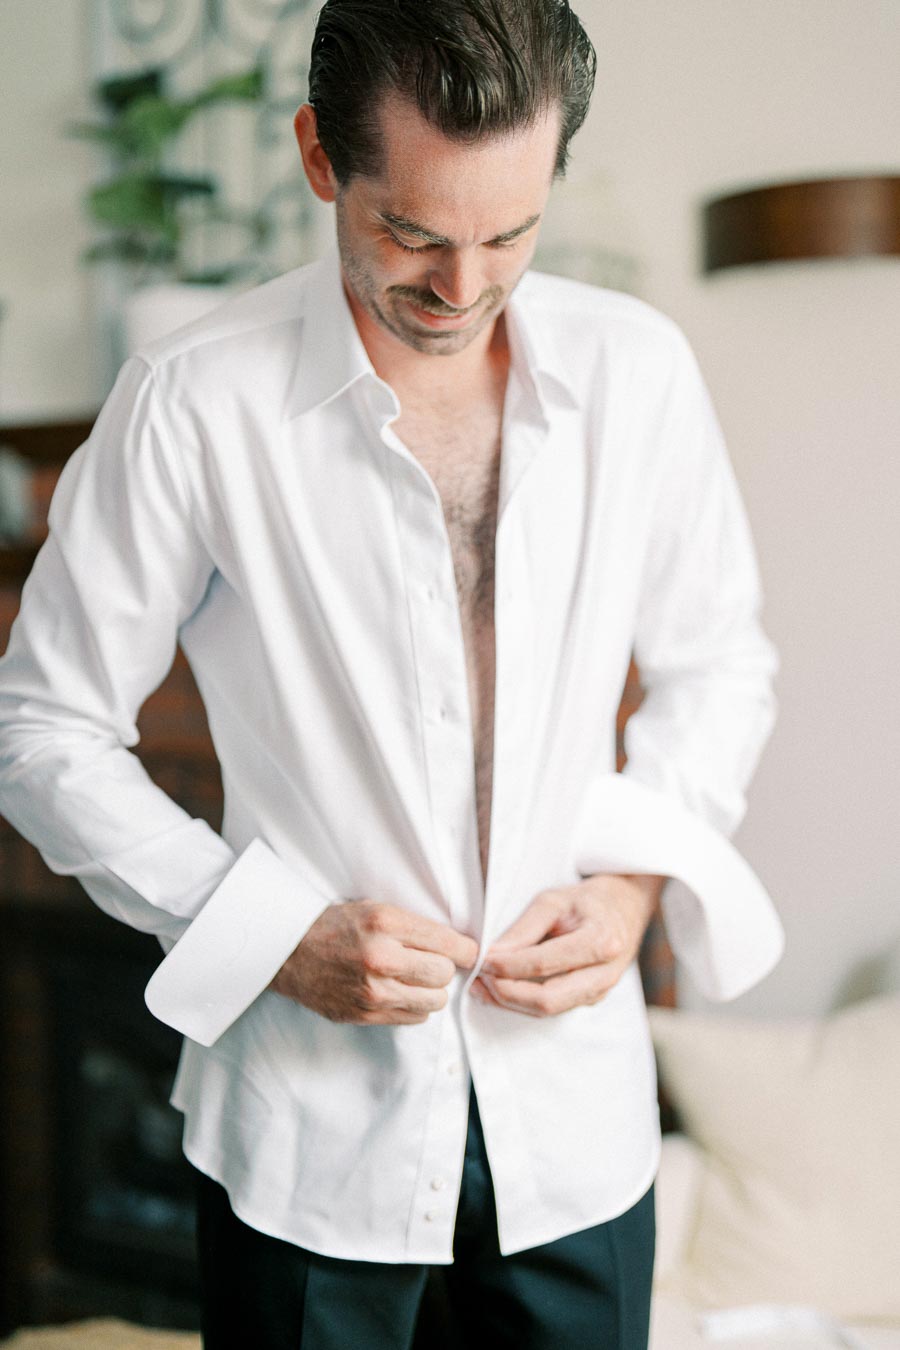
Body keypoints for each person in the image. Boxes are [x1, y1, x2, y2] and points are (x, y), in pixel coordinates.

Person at [0, 2, 785, 1346]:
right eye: (413, 232)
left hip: (577, 1133)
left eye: (510, 233)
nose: (462, 285)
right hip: (310, 1138)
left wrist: (638, 877)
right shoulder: (194, 401)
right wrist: (268, 932)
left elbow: (723, 665)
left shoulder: (639, 375)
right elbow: (42, 727)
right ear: (321, 157)